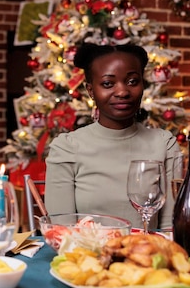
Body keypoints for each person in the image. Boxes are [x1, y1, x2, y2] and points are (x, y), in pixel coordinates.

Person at [45, 43, 180, 230]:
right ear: (91, 91)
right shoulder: (67, 148)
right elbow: (62, 230)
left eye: (132, 81)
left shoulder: (164, 145)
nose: (123, 92)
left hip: (147, 255)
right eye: (108, 84)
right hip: (88, 256)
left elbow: (169, 229)